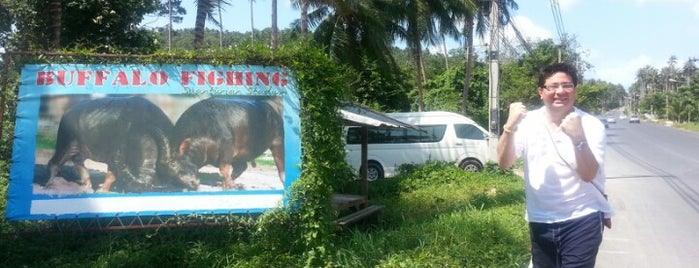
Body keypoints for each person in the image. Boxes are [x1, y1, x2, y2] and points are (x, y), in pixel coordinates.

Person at [497, 62, 614, 268]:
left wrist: (578, 137)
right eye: (553, 86)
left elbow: (588, 174)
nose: (560, 91)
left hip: (582, 217)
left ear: (575, 90)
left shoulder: (591, 125)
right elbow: (504, 164)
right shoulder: (527, 122)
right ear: (541, 92)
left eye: (567, 85)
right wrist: (509, 126)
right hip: (540, 218)